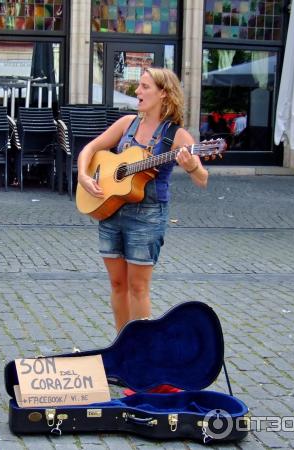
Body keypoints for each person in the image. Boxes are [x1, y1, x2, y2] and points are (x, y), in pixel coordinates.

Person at [78, 67, 208, 334]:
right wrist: (83, 176)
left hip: (147, 217)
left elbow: (203, 179)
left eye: (145, 87)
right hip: (111, 212)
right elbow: (90, 148)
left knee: (138, 288)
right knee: (117, 284)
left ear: (163, 93)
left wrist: (192, 167)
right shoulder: (127, 124)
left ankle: (142, 352)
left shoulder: (177, 136)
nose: (137, 91)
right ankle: (122, 348)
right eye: (138, 86)